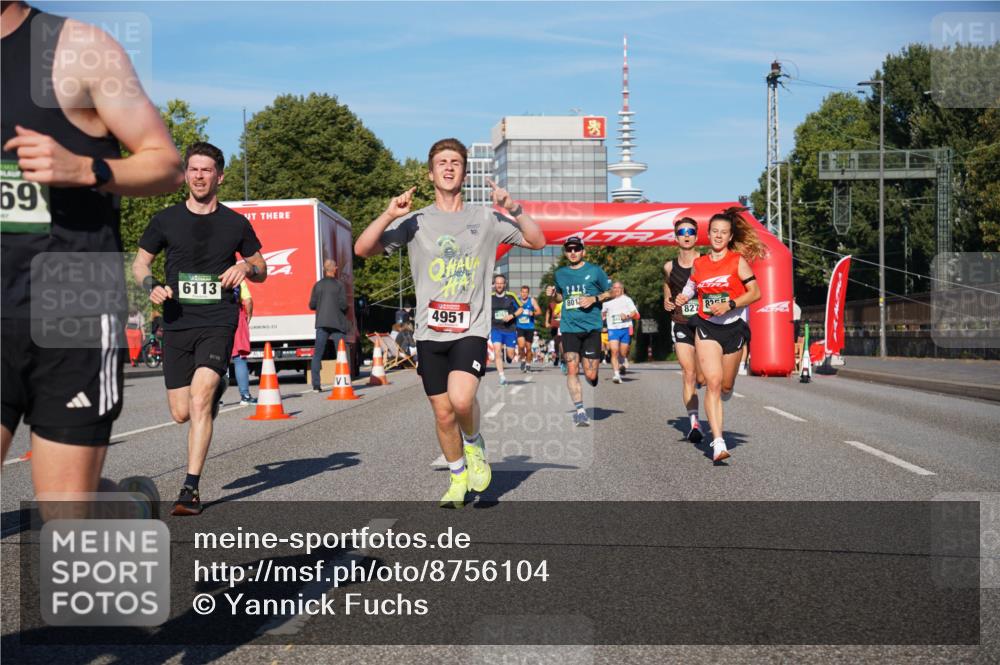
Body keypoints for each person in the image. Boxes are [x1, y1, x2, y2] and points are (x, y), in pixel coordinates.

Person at [1, 2, 183, 504]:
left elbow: (166, 164)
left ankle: (125, 510)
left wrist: (84, 169)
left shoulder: (79, 49)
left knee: (65, 517)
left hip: (72, 309)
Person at [354, 138, 544, 508]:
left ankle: (473, 446)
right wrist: (389, 214)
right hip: (429, 332)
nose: (448, 167)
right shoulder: (414, 221)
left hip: (470, 328)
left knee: (461, 399)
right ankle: (457, 477)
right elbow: (362, 249)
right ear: (430, 173)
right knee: (442, 413)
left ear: (464, 172)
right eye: (441, 162)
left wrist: (514, 208)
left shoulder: (485, 218)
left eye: (455, 162)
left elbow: (537, 241)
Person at [132, 142, 266, 515]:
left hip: (218, 319)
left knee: (200, 396)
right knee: (181, 412)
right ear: (185, 175)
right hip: (177, 321)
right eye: (193, 169)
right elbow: (140, 265)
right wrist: (151, 286)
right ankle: (215, 389)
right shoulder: (165, 220)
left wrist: (246, 269)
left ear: (219, 176)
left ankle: (189, 488)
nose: (199, 176)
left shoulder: (235, 223)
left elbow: (262, 267)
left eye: (207, 170)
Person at [675, 207, 764, 462]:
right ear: (709, 234)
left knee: (725, 385)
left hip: (733, 327)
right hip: (706, 327)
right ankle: (718, 442)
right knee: (712, 384)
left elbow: (755, 293)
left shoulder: (737, 261)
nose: (718, 236)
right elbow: (691, 286)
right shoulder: (699, 263)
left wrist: (730, 304)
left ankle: (728, 388)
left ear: (729, 236)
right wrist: (684, 296)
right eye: (714, 231)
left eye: (723, 232)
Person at [549, 236, 612, 427]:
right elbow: (561, 297)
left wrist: (594, 299)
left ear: (583, 251)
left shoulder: (594, 271)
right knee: (572, 368)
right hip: (569, 327)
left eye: (577, 249)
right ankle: (580, 410)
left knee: (591, 375)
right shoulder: (560, 273)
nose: (573, 252)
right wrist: (554, 295)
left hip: (592, 327)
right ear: (566, 252)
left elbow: (610, 292)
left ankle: (593, 377)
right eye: (569, 249)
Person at [663, 216, 705, 442]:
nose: (686, 235)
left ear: (697, 236)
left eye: (690, 231)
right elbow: (667, 286)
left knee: (703, 377)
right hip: (680, 322)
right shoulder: (669, 266)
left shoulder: (706, 261)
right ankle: (694, 424)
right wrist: (667, 300)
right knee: (688, 374)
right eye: (682, 232)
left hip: (706, 323)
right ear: (676, 237)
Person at [308, 259, 349, 392]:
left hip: (322, 323)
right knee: (341, 353)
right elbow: (343, 305)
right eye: (336, 266)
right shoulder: (339, 285)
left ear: (325, 269)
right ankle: (343, 381)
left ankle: (316, 385)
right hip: (337, 323)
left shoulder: (317, 285)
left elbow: (312, 305)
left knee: (317, 354)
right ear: (334, 269)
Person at [602, 281, 639, 384]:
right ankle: (616, 374)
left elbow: (634, 313)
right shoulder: (606, 302)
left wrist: (627, 316)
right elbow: (602, 314)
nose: (616, 289)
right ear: (612, 289)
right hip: (613, 329)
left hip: (625, 328)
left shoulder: (627, 300)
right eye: (614, 287)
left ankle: (623, 360)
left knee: (622, 353)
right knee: (614, 351)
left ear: (622, 289)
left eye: (618, 288)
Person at [489, 274, 521, 386]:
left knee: (510, 356)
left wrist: (512, 316)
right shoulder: (490, 297)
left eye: (501, 283)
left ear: (505, 284)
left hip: (510, 329)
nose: (499, 285)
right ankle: (502, 377)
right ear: (494, 284)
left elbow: (521, 309)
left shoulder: (511, 296)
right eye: (497, 283)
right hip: (496, 328)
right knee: (497, 351)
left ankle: (508, 357)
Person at [231, 281, 256, 406]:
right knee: (239, 358)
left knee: (216, 360)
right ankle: (245, 395)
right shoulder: (237, 278)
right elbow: (248, 301)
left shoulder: (213, 274)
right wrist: (249, 315)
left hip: (214, 318)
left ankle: (214, 398)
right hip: (235, 315)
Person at [514, 285, 541, 373]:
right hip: (519, 326)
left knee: (528, 348)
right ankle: (522, 360)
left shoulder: (532, 300)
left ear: (528, 293)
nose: (524, 294)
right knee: (521, 346)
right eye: (522, 292)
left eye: (526, 292)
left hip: (529, 327)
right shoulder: (517, 301)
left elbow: (539, 311)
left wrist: (532, 313)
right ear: (520, 292)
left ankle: (528, 364)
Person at [545, 290, 563, 369]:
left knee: (562, 344)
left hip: (563, 326)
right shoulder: (552, 304)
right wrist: (546, 322)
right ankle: (557, 356)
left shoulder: (565, 303)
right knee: (556, 343)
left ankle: (562, 359)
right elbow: (548, 312)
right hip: (554, 326)